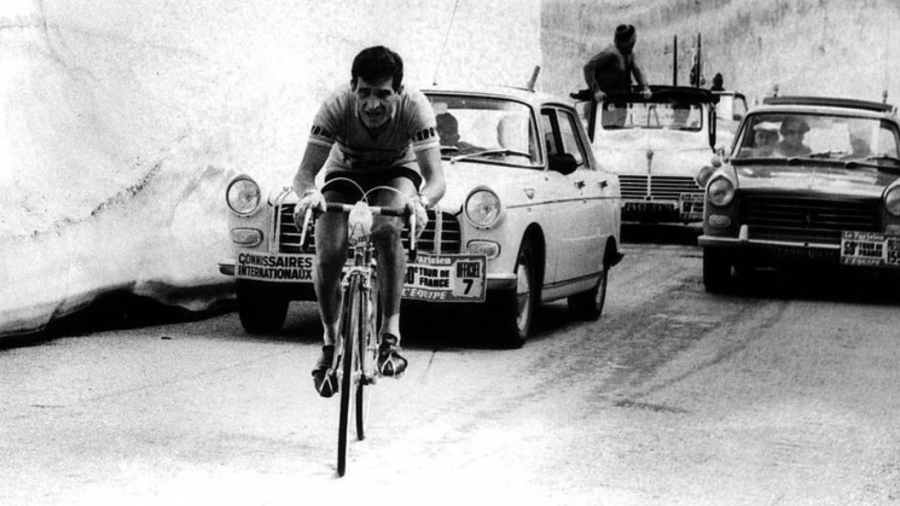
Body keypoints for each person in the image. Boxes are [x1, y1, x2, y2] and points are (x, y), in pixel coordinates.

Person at [292, 46, 446, 397]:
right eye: (364, 93)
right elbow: (303, 175)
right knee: (329, 252)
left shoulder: (416, 108)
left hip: (396, 173)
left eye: (383, 94)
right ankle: (331, 341)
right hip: (344, 174)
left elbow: (436, 179)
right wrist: (309, 195)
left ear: (399, 92)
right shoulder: (335, 105)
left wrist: (421, 203)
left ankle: (391, 338)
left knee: (388, 227)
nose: (372, 105)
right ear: (353, 87)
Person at [582, 24, 652, 102]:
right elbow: (588, 67)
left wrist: (645, 88)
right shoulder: (610, 53)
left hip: (621, 100)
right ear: (626, 41)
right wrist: (596, 90)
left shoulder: (629, 54)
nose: (635, 40)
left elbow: (638, 70)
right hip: (603, 102)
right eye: (633, 39)